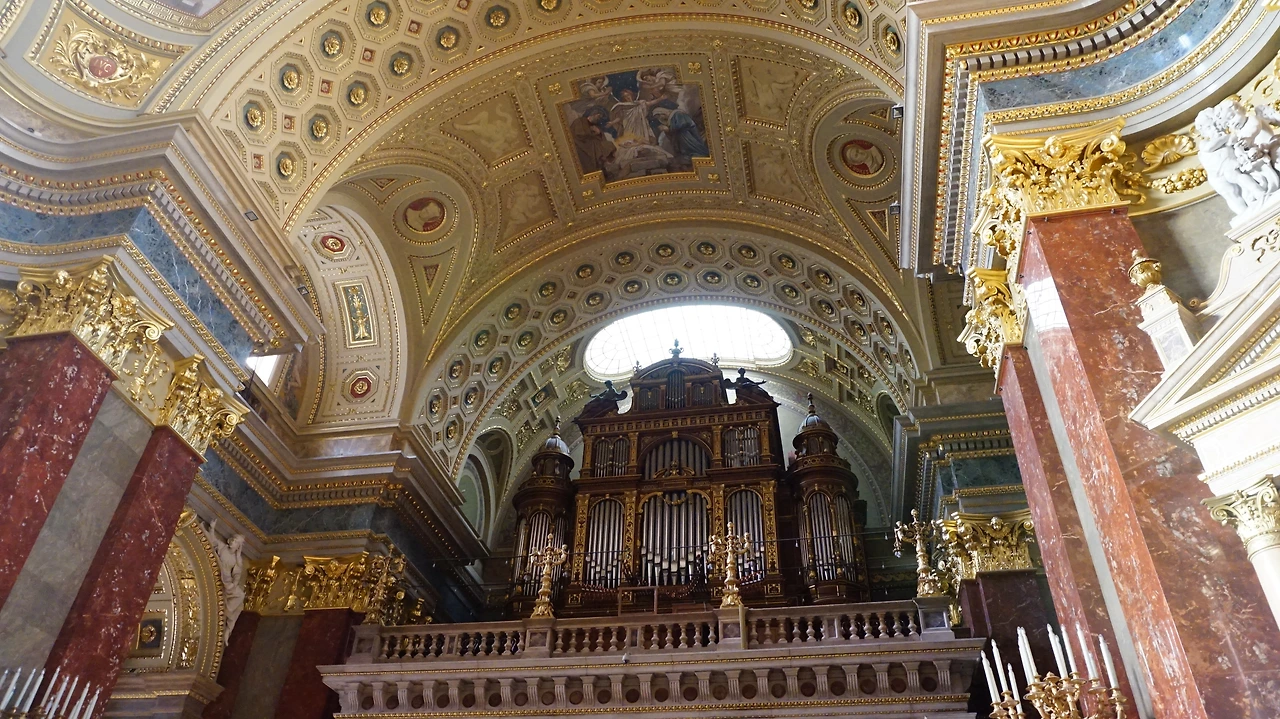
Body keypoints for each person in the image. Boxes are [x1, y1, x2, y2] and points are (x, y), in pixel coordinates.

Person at [651, 101, 709, 169]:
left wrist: (668, 129)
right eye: (657, 118)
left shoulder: (678, 114)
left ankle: (699, 155)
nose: (660, 118)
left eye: (659, 116)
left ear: (663, 112)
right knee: (685, 151)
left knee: (693, 147)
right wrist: (667, 130)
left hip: (687, 135)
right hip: (682, 137)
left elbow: (683, 124)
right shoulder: (671, 118)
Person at [570, 105, 617, 174]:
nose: (599, 119)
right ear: (594, 114)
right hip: (582, 144)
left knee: (609, 145)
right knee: (604, 148)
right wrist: (592, 132)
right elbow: (579, 134)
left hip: (592, 145)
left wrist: (599, 132)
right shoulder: (580, 121)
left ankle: (604, 166)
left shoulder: (595, 125)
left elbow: (602, 138)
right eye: (598, 116)